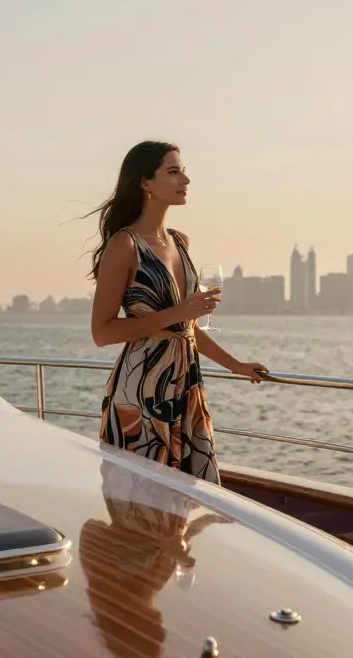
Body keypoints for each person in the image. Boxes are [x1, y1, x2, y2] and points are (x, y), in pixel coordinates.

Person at [88, 140, 268, 485]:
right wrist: (180, 311)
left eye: (184, 171)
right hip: (142, 390)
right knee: (141, 505)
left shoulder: (180, 241)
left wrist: (236, 366)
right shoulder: (124, 245)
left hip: (185, 385)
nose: (185, 180)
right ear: (146, 182)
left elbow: (185, 328)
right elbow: (103, 332)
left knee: (189, 500)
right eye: (173, 172)